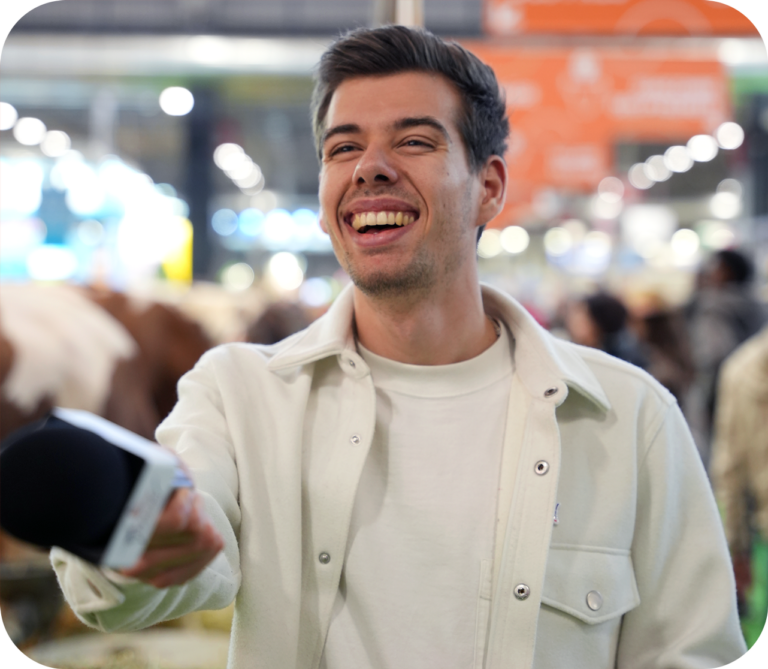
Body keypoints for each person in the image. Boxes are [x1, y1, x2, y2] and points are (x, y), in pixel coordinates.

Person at [51, 26, 746, 668]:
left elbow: (689, 651)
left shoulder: (629, 420)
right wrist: (135, 540)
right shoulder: (238, 396)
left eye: (414, 141)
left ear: (489, 188)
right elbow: (173, 558)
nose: (370, 168)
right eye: (343, 147)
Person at [684, 249, 765, 467]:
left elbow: (713, 355)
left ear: (728, 272)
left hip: (722, 390)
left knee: (725, 457)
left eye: (715, 268)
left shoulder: (713, 306)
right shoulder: (756, 304)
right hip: (758, 387)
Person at [711, 326, 768, 622]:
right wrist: (735, 548)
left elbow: (729, 469)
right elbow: (730, 470)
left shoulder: (741, 370)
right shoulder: (744, 373)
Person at [565, 291, 648, 370]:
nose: (573, 321)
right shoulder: (571, 353)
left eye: (581, 317)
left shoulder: (622, 361)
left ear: (598, 323)